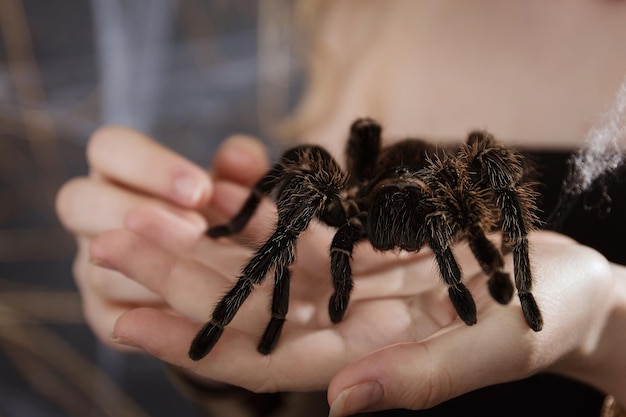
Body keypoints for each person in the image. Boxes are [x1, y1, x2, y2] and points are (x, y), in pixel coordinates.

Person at [56, 1, 626, 416]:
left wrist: (606, 323)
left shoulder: (457, 193)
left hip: (438, 193)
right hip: (372, 187)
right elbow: (297, 390)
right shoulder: (353, 20)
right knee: (307, 166)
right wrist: (225, 360)